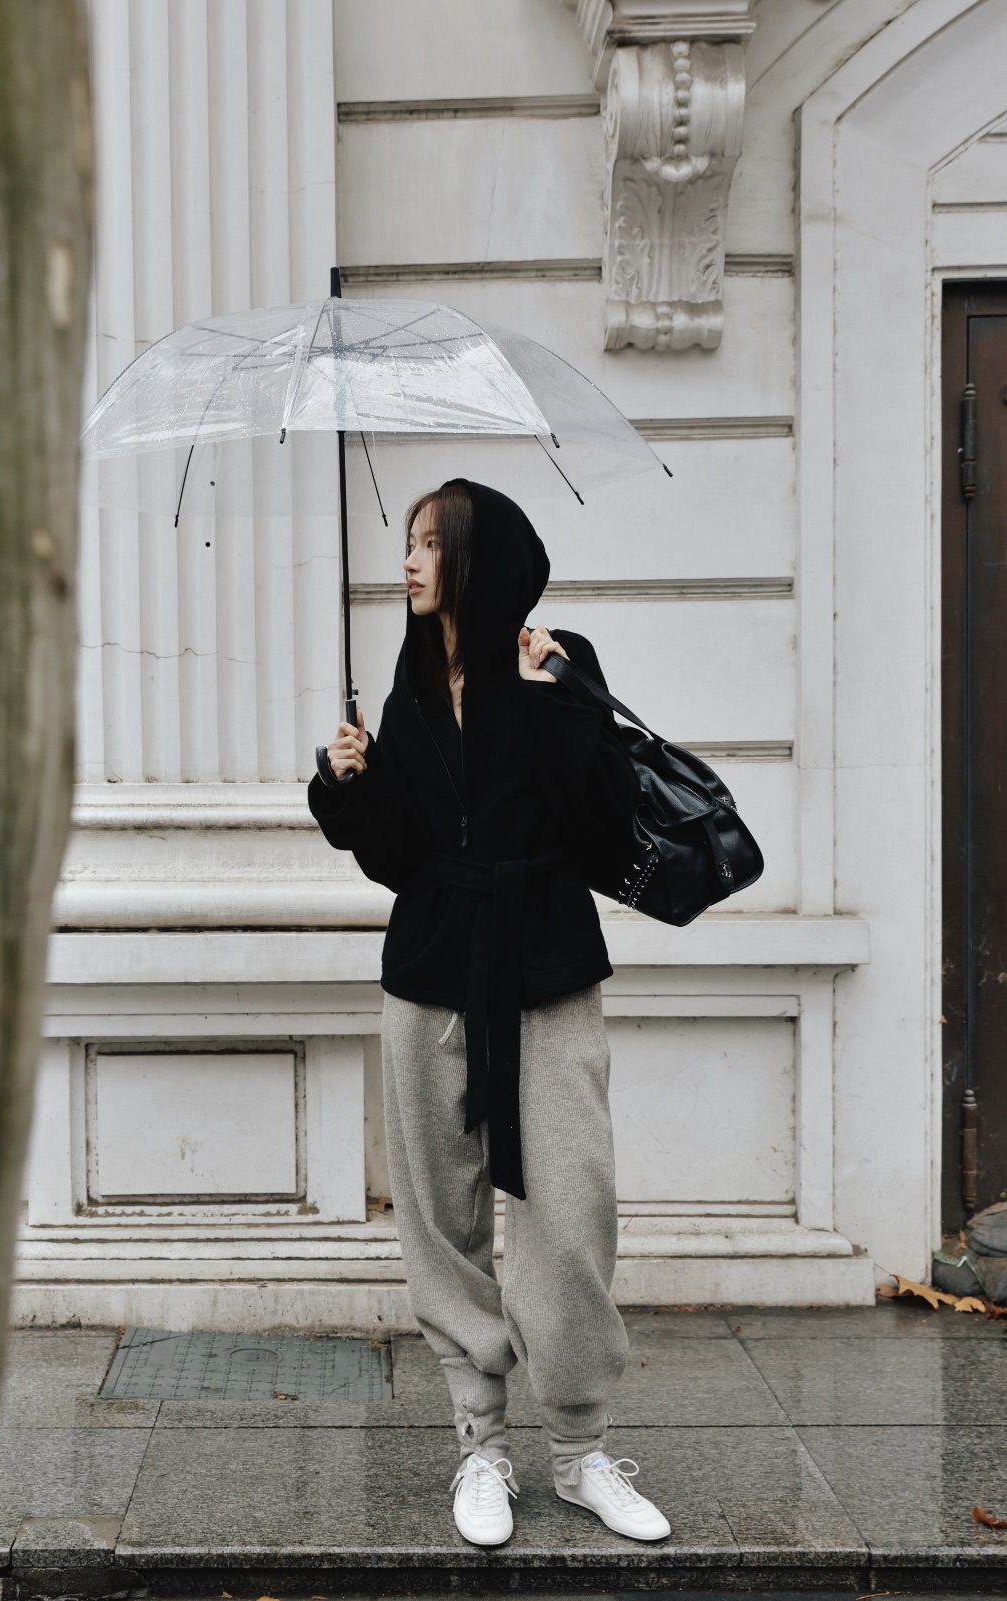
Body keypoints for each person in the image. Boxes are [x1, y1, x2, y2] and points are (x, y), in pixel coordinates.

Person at [308, 479, 670, 1548]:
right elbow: (401, 855)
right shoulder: (411, 684)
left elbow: (605, 820)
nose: (409, 561)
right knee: (441, 1216)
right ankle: (480, 1445)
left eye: (430, 543)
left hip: (547, 968)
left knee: (571, 1207)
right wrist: (347, 785)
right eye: (409, 542)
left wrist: (557, 700)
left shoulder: (556, 661)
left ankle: (581, 1451)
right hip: (431, 972)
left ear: (479, 557)